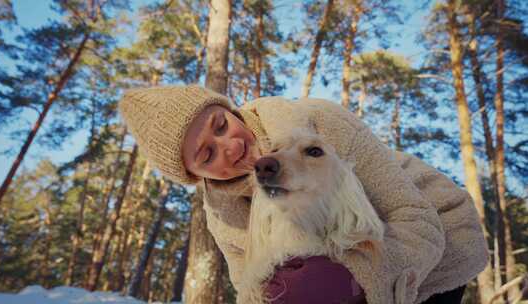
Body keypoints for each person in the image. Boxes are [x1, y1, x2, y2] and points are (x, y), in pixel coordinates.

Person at [118, 85, 489, 304]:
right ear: (195, 176)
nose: (229, 146)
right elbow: (247, 286)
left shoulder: (319, 123)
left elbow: (414, 217)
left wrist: (354, 278)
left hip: (437, 238)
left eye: (220, 125)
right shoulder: (223, 212)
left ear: (230, 110)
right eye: (207, 154)